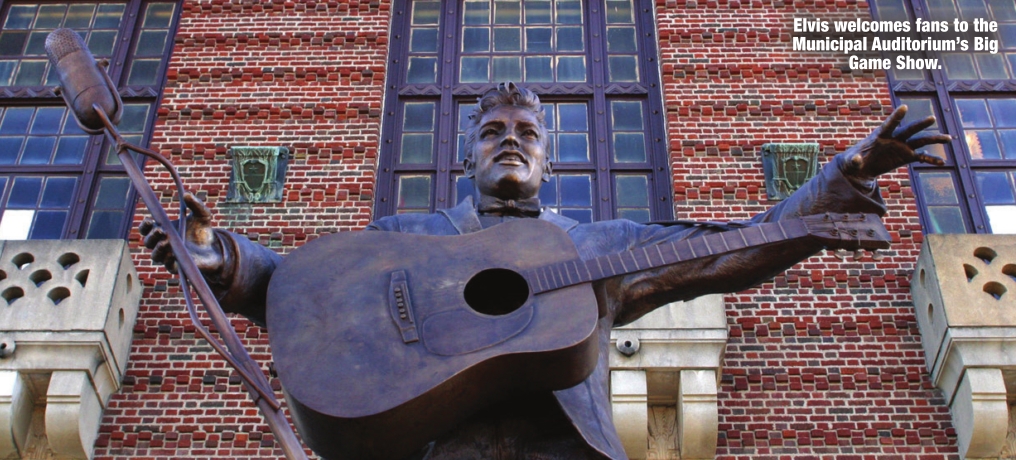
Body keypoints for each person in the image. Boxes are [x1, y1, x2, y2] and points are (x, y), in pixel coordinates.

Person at [140, 82, 948, 459]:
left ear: (549, 160)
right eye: (492, 131)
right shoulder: (410, 236)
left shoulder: (592, 247)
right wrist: (226, 260)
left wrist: (839, 179)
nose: (510, 140)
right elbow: (311, 294)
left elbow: (730, 249)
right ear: (467, 155)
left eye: (527, 132)